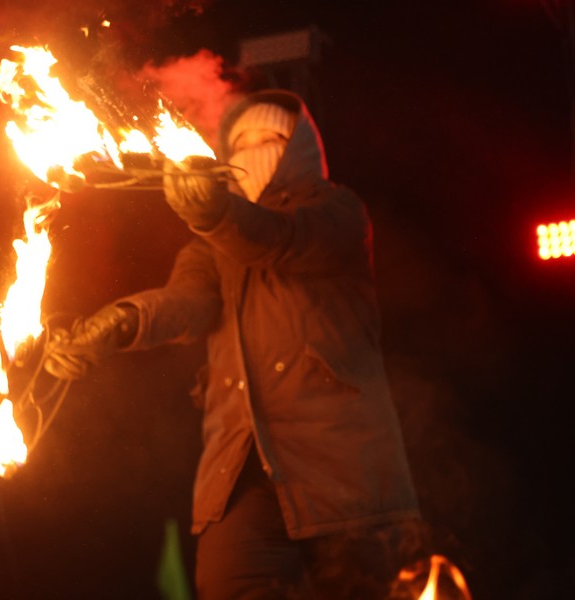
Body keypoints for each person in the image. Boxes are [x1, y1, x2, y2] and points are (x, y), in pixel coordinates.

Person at [44, 90, 422, 599]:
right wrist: (122, 323)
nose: (254, 150)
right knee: (227, 585)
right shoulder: (209, 244)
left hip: (339, 461)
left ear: (302, 150)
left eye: (271, 139)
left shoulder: (337, 212)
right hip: (242, 462)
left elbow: (278, 240)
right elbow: (187, 304)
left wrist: (216, 215)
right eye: (240, 142)